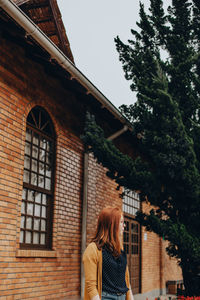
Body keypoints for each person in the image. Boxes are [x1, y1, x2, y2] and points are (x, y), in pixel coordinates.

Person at [83, 206, 134, 300]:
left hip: (122, 296)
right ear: (112, 224)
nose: (124, 225)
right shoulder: (93, 249)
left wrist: (130, 297)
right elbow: (91, 285)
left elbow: (126, 278)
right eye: (122, 222)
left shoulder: (119, 248)